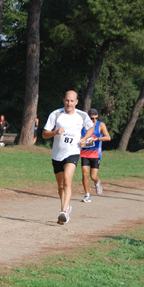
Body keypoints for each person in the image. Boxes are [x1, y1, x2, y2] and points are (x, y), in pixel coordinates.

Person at [42, 90, 94, 225]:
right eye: (67, 100)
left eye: (72, 101)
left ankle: (63, 212)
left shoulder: (82, 115)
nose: (69, 103)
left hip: (73, 152)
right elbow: (44, 134)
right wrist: (55, 132)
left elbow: (91, 128)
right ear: (63, 100)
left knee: (67, 180)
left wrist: (84, 138)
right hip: (57, 154)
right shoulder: (56, 114)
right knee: (60, 185)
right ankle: (66, 206)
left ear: (76, 102)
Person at [80, 109, 111, 203]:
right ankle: (87, 195)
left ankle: (97, 182)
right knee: (85, 174)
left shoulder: (100, 125)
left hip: (95, 154)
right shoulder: (82, 125)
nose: (94, 120)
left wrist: (97, 138)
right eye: (92, 118)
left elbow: (108, 137)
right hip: (84, 153)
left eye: (96, 118)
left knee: (93, 176)